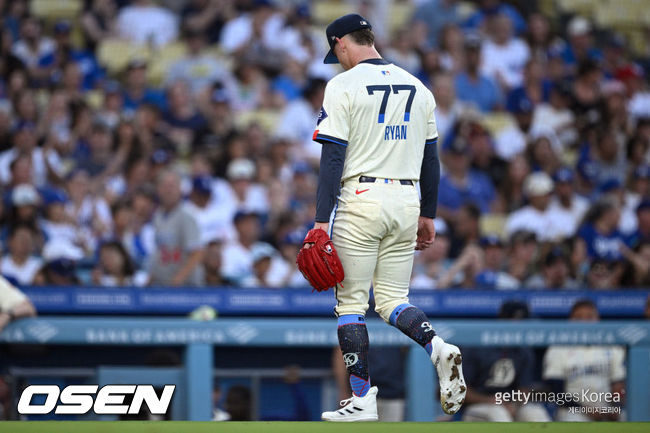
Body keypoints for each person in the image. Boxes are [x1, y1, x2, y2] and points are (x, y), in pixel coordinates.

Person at [305, 14, 466, 422]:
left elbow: (333, 156)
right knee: (394, 300)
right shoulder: (419, 86)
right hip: (407, 199)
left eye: (335, 52)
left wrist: (321, 219)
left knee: (351, 305)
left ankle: (361, 398)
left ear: (341, 43)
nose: (336, 60)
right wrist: (427, 213)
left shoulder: (342, 84)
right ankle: (437, 347)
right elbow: (432, 159)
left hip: (361, 197)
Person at [543, 299, 625, 421]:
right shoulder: (559, 347)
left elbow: (618, 384)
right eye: (579, 317)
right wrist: (585, 409)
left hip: (606, 407)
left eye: (589, 317)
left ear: (598, 319)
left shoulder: (611, 345)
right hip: (573, 409)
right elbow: (557, 391)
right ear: (570, 321)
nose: (584, 321)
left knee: (627, 418)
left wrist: (614, 407)